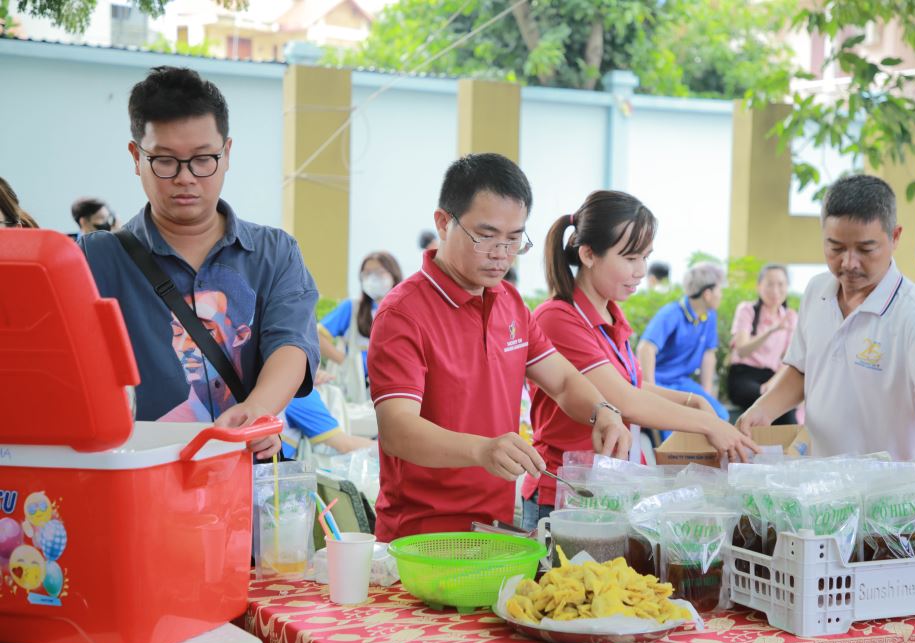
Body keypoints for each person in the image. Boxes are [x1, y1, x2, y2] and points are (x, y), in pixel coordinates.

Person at [367, 153, 632, 541]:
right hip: (421, 536)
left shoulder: (509, 301)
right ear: (443, 222)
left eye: (513, 240)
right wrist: (482, 451)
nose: (500, 254)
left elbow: (561, 381)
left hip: (492, 529)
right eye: (486, 236)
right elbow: (397, 429)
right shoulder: (403, 314)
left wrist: (603, 411)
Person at [78, 66, 319, 460]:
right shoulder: (95, 260)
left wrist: (257, 409)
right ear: (136, 156)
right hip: (141, 480)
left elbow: (291, 345)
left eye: (203, 159)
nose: (186, 178)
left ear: (227, 153)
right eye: (165, 161)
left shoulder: (275, 253)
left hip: (245, 476)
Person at [521, 191, 758, 528]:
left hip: (607, 489)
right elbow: (623, 401)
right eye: (630, 257)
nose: (641, 270)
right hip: (566, 496)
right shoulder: (559, 319)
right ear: (588, 254)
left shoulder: (610, 315)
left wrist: (694, 402)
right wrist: (710, 424)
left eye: (646, 257)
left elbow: (631, 385)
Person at [737, 174, 915, 460]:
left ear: (895, 237)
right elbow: (803, 371)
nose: (848, 263)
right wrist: (762, 409)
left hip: (889, 496)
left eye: (866, 249)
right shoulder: (817, 291)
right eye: (836, 248)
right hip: (820, 484)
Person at [637, 262, 729, 423]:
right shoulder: (672, 313)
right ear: (707, 294)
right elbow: (646, 348)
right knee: (673, 426)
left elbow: (709, 353)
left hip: (682, 382)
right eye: (719, 290)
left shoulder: (709, 315)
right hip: (660, 382)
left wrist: (705, 394)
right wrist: (651, 392)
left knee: (720, 416)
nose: (721, 295)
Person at [318, 251, 402, 401]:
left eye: (379, 272)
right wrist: (345, 361)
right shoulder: (352, 308)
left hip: (395, 388)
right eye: (367, 273)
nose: (372, 278)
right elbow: (317, 336)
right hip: (354, 388)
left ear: (393, 275)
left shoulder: (405, 310)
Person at [727, 264, 798, 424]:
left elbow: (790, 359)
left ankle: (789, 449)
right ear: (759, 287)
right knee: (768, 402)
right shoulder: (747, 310)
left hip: (772, 376)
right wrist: (772, 330)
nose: (775, 290)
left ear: (787, 287)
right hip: (743, 375)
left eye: (780, 284)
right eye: (770, 284)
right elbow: (742, 350)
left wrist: (772, 384)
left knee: (786, 404)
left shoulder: (790, 316)